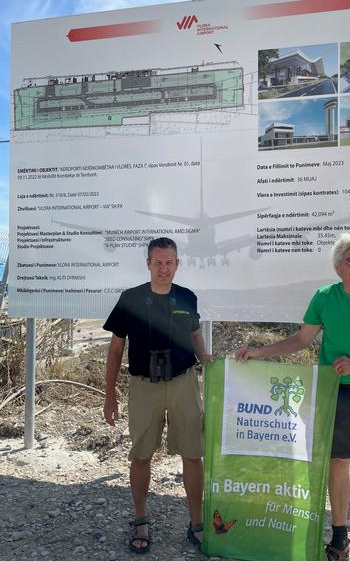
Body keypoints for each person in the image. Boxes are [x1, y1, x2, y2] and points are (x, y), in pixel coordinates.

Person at [236, 233, 350, 561]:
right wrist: (260, 352)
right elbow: (301, 340)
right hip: (335, 395)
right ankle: (340, 540)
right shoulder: (324, 298)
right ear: (338, 267)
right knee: (338, 465)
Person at [103, 237, 211, 554]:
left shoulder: (187, 297)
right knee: (141, 456)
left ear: (178, 264)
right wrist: (110, 394)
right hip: (143, 386)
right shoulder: (130, 299)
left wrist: (207, 361)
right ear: (148, 263)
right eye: (158, 262)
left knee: (193, 454)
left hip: (183, 383)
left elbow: (194, 334)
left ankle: (197, 523)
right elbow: (115, 348)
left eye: (170, 263)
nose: (164, 269)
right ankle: (141, 520)